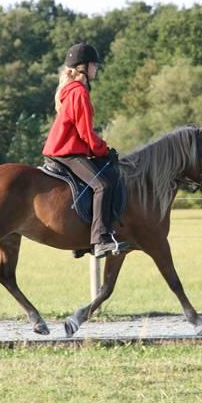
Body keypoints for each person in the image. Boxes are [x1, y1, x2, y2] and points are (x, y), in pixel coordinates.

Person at [42, 43, 129, 258]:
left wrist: (98, 149)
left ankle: (80, 241)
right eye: (94, 65)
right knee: (103, 185)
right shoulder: (79, 92)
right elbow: (85, 133)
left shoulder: (71, 90)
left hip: (64, 149)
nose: (96, 69)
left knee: (95, 180)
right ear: (83, 68)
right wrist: (103, 149)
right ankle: (100, 240)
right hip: (67, 152)